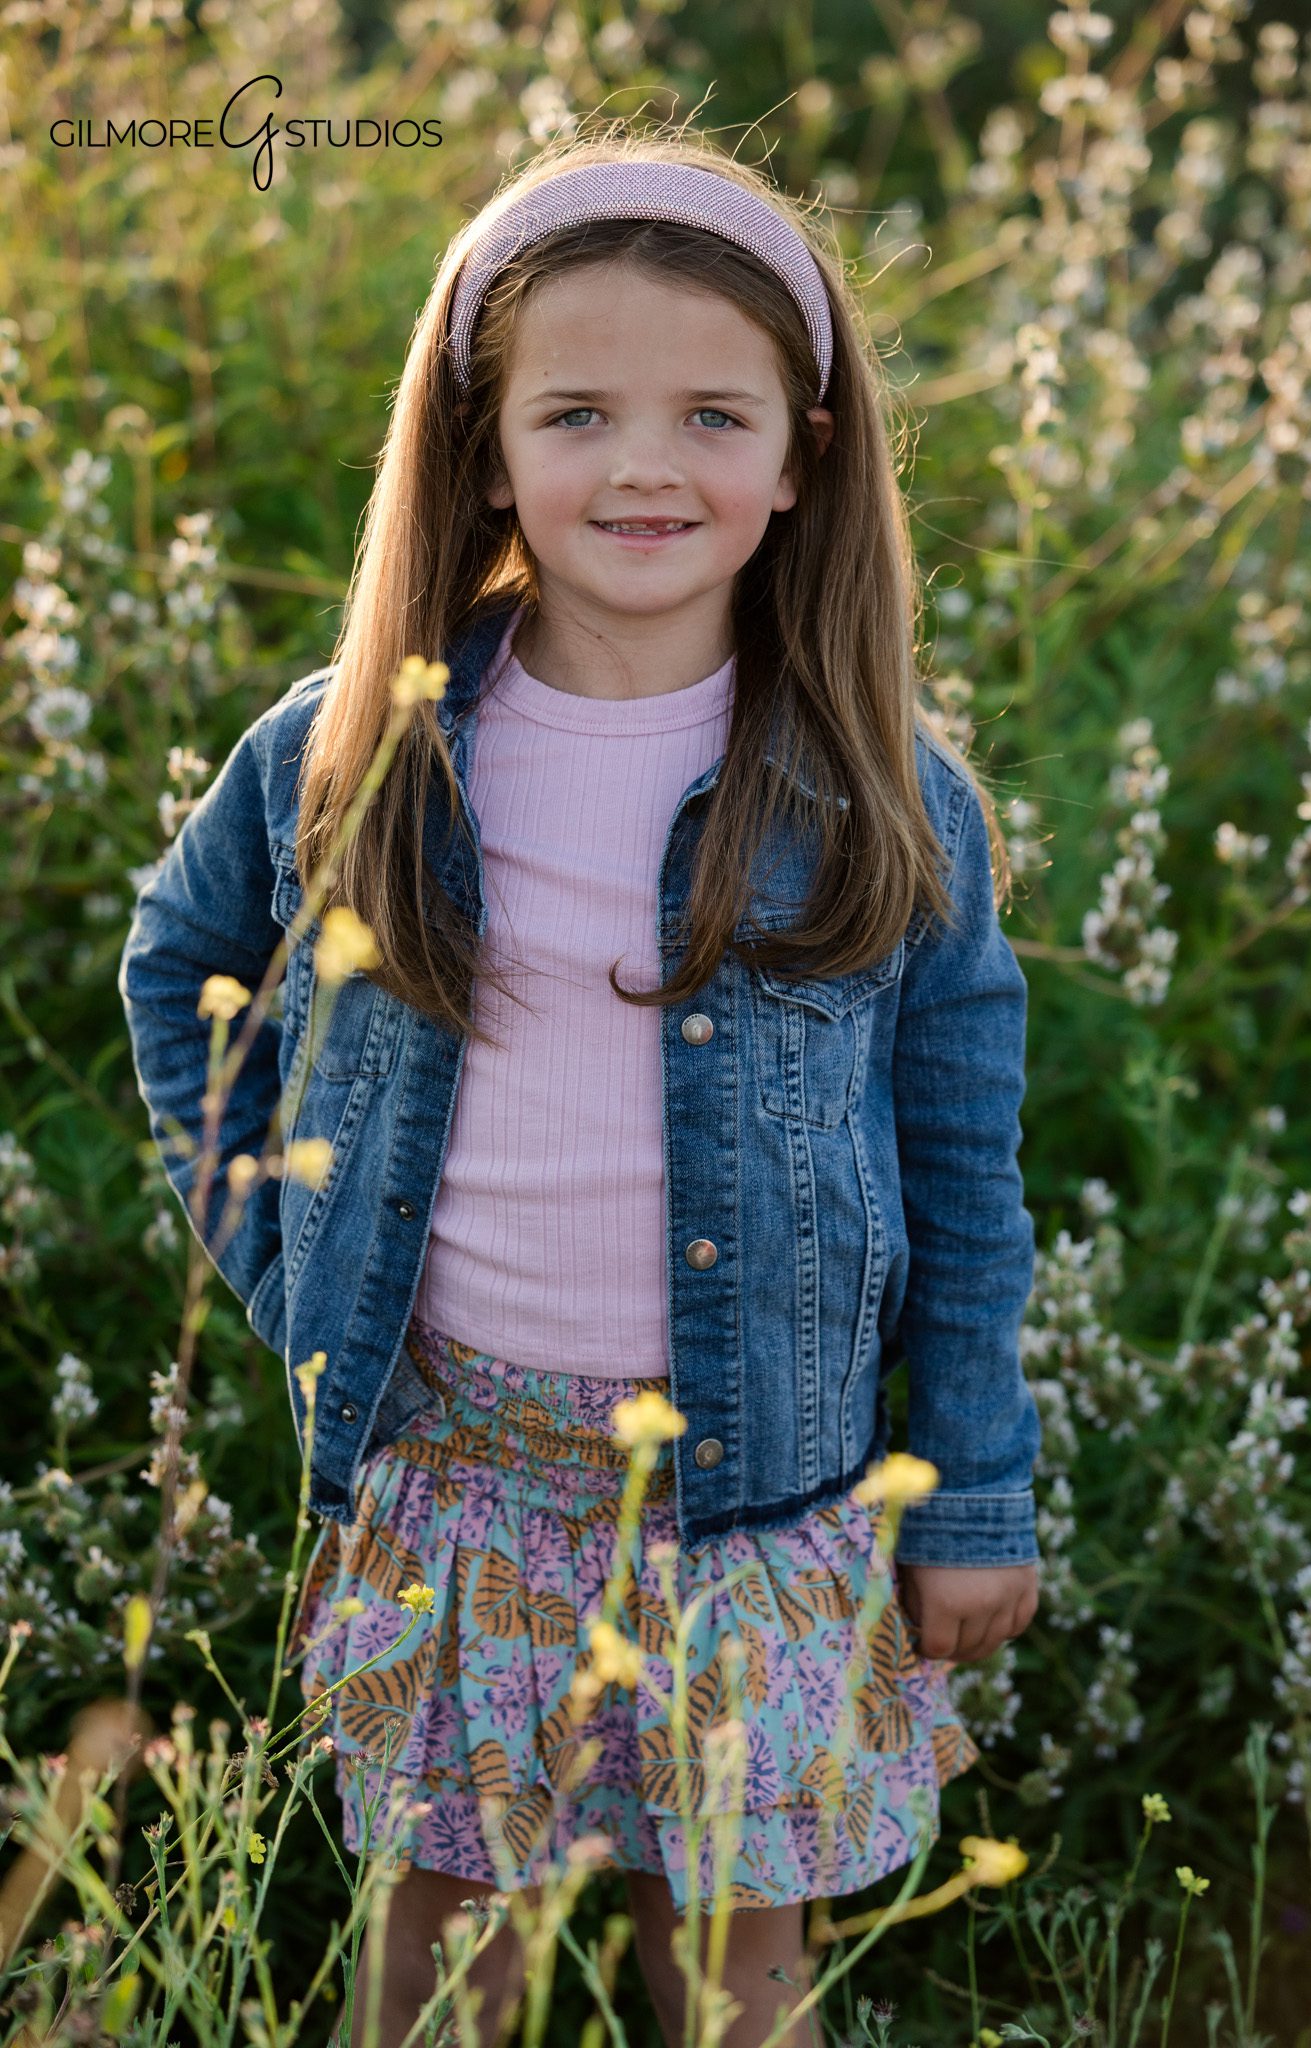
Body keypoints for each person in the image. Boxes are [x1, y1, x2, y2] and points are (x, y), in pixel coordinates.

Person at [118, 122, 1042, 2048]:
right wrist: (295, 1279)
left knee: (732, 1972)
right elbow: (182, 972)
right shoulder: (359, 747)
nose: (643, 465)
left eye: (713, 415)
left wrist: (972, 1487)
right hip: (454, 1486)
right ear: (483, 448)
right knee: (444, 1959)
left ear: (801, 457)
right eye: (578, 412)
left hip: (759, 1507)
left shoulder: (878, 789)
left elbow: (964, 1163)